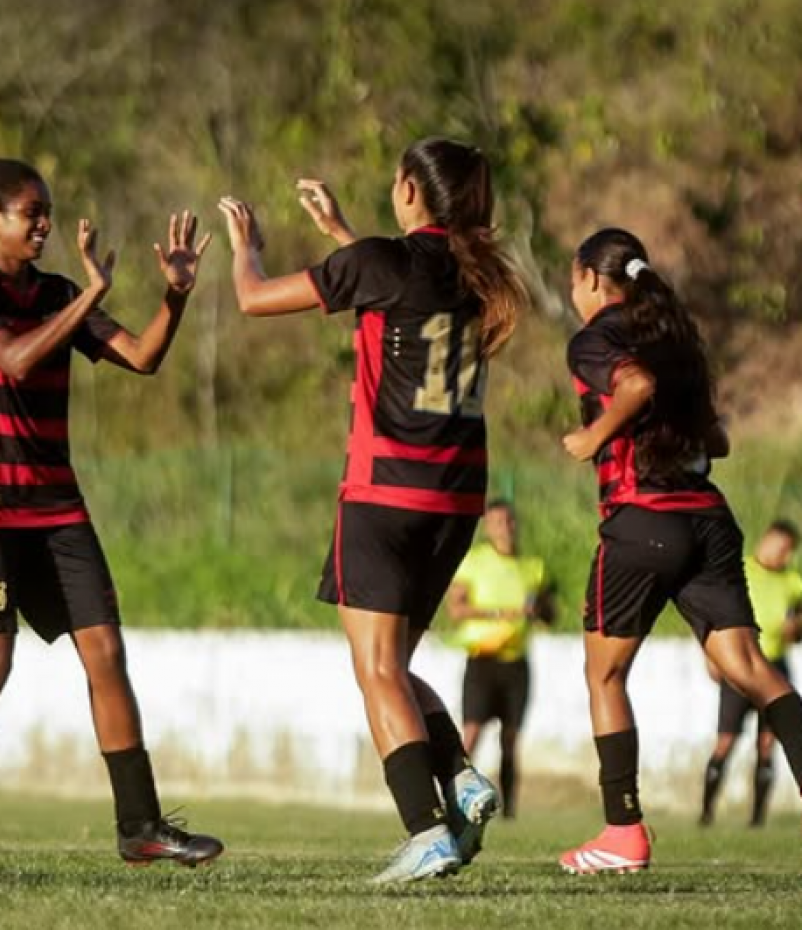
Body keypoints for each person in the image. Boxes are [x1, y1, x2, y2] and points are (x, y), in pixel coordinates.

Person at [217, 137, 530, 882]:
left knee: (376, 668)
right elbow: (397, 286)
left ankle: (428, 830)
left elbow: (254, 299)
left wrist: (246, 248)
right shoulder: (475, 272)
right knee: (395, 665)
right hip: (456, 498)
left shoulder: (385, 262)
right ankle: (460, 778)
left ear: (412, 193)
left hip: (385, 491)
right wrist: (341, 233)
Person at [0, 154, 223, 872]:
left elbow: (141, 357)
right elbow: (14, 358)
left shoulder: (57, 290)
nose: (44, 224)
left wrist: (173, 296)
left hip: (54, 505)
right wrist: (87, 298)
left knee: (106, 652)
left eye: (47, 211)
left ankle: (140, 827)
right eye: (31, 213)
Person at [558, 227, 802, 875]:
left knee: (604, 675)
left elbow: (632, 388)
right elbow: (716, 440)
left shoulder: (597, 338)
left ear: (588, 277)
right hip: (708, 518)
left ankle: (623, 833)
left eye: (572, 276)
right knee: (751, 666)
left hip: (644, 522)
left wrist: (595, 437)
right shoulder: (673, 338)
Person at [447, 498, 555, 819]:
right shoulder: (475, 561)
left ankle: (509, 812)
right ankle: (453, 799)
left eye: (509, 521)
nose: (504, 529)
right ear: (487, 528)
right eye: (496, 523)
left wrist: (540, 610)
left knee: (511, 739)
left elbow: (550, 613)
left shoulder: (533, 567)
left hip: (516, 662)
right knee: (472, 733)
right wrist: (500, 612)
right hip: (482, 658)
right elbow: (456, 609)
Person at [700, 519, 802, 827]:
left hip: (774, 667)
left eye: (788, 551)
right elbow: (707, 611)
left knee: (768, 743)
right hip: (740, 665)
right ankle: (706, 814)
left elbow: (797, 630)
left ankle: (757, 820)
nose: (781, 555)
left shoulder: (793, 582)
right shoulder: (739, 569)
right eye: (778, 547)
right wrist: (709, 653)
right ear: (766, 540)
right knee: (726, 741)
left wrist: (796, 627)